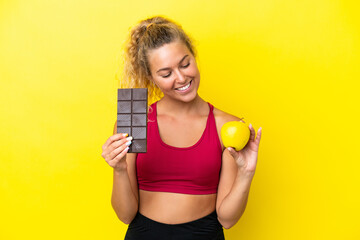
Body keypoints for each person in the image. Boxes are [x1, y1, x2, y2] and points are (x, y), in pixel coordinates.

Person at [101, 16, 262, 240]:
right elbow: (125, 215)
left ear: (194, 56)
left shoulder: (227, 125)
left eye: (185, 64)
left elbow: (227, 219)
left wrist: (246, 174)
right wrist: (118, 170)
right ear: (151, 77)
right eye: (166, 74)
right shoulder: (135, 119)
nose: (181, 78)